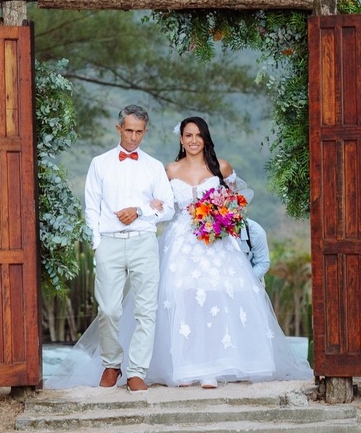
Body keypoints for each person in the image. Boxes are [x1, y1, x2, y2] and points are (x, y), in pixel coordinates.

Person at [149, 117, 310, 388]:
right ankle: (186, 366)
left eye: (198, 135)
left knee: (217, 297)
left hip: (215, 241)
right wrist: (153, 203)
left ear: (206, 138)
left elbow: (235, 204)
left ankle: (212, 367)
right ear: (181, 139)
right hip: (180, 242)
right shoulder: (170, 170)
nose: (193, 141)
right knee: (182, 298)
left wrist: (220, 216)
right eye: (188, 135)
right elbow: (163, 205)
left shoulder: (221, 167)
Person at [83, 104, 174, 392]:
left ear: (146, 131)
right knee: (108, 309)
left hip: (144, 242)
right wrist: (97, 245)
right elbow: (91, 208)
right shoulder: (99, 163)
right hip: (109, 243)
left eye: (139, 132)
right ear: (118, 128)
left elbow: (169, 208)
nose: (133, 137)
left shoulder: (154, 167)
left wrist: (140, 210)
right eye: (129, 130)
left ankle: (136, 372)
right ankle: (111, 363)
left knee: (146, 310)